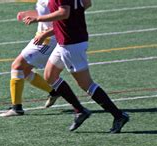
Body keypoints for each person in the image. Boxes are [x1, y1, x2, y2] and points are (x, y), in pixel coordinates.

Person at [23, 0, 129, 133]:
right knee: (50, 75)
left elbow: (64, 13)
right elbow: (86, 3)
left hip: (71, 43)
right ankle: (80, 110)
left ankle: (118, 116)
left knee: (86, 84)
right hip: (66, 39)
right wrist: (49, 31)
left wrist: (38, 19)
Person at [0, 0, 91, 132]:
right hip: (41, 37)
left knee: (17, 66)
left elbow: (65, 17)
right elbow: (45, 13)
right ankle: (53, 91)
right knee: (23, 71)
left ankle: (16, 108)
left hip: (48, 40)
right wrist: (28, 14)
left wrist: (47, 33)